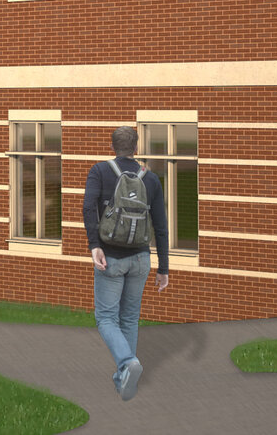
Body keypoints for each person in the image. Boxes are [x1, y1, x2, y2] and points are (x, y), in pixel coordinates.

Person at [84, 126, 170, 403]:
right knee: (130, 317)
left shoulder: (99, 171)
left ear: (112, 147)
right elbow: (161, 226)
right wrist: (164, 268)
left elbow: (88, 208)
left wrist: (95, 246)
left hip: (110, 258)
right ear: (136, 148)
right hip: (141, 259)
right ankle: (125, 379)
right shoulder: (150, 178)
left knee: (106, 318)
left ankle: (127, 362)